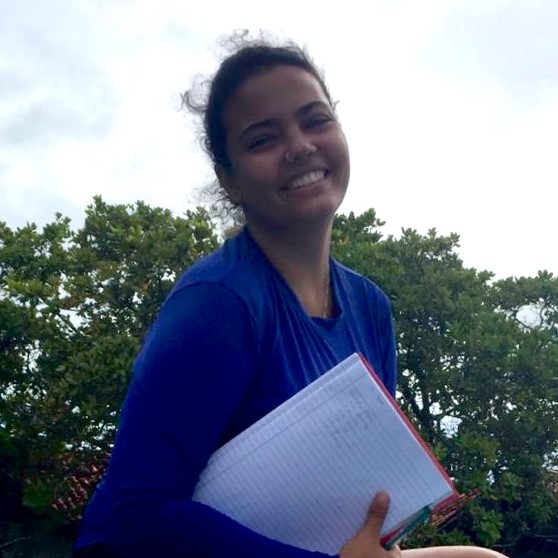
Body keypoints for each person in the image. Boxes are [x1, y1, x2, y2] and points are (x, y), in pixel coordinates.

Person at [74, 34, 509, 558]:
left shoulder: (370, 307)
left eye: (316, 120)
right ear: (228, 180)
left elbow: (367, 490)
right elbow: (134, 518)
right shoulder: (219, 304)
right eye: (263, 139)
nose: (300, 146)